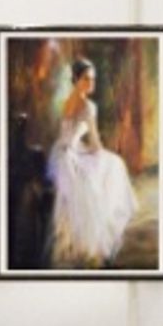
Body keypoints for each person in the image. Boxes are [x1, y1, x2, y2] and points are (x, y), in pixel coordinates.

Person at [43, 54, 142, 268]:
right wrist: (99, 153)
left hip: (59, 153)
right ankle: (92, 243)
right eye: (87, 79)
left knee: (103, 168)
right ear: (77, 80)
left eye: (93, 79)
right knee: (113, 164)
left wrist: (87, 151)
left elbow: (69, 137)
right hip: (69, 156)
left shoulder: (66, 102)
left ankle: (85, 243)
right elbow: (95, 142)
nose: (91, 83)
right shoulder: (88, 106)